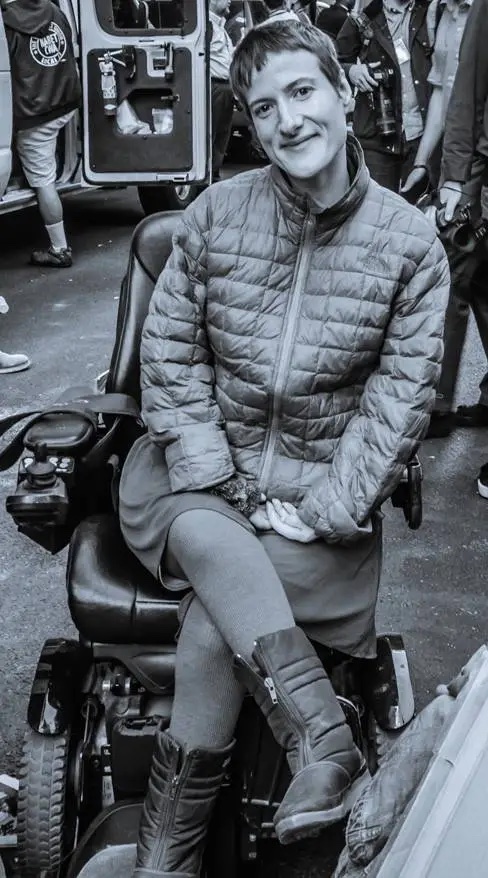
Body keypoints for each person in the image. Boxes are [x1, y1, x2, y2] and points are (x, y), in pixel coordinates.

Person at [116, 20, 449, 877]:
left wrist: (327, 511)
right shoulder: (217, 213)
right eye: (264, 108)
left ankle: (165, 862)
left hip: (313, 503)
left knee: (212, 623)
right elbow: (170, 353)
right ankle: (324, 742)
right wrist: (212, 469)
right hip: (191, 481)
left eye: (302, 93)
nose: (286, 120)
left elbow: (399, 401)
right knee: (205, 533)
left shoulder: (410, 243)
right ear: (252, 126)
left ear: (344, 93)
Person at [399, 0, 478, 438]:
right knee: (474, 285)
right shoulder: (438, 13)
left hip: (471, 172)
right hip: (453, 165)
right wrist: (424, 162)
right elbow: (442, 96)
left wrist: (464, 182)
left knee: (451, 280)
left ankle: (440, 404)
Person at [434, 0, 488, 430]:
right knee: (463, 283)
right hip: (480, 178)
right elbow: (464, 94)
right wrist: (454, 178)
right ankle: (438, 400)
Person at [1, 0, 81, 268]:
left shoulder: (6, 24)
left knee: (44, 180)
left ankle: (60, 249)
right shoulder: (55, 10)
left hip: (34, 114)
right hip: (62, 103)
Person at [336, 0, 436, 192]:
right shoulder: (363, 18)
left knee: (419, 213)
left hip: (423, 135)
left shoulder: (430, 11)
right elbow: (331, 63)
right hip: (377, 135)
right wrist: (351, 71)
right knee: (378, 210)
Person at [208, 0, 236, 180]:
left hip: (225, 87)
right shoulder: (208, 26)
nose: (230, 1)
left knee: (222, 134)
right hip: (215, 86)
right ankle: (209, 175)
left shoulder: (220, 27)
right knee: (214, 133)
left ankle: (214, 173)